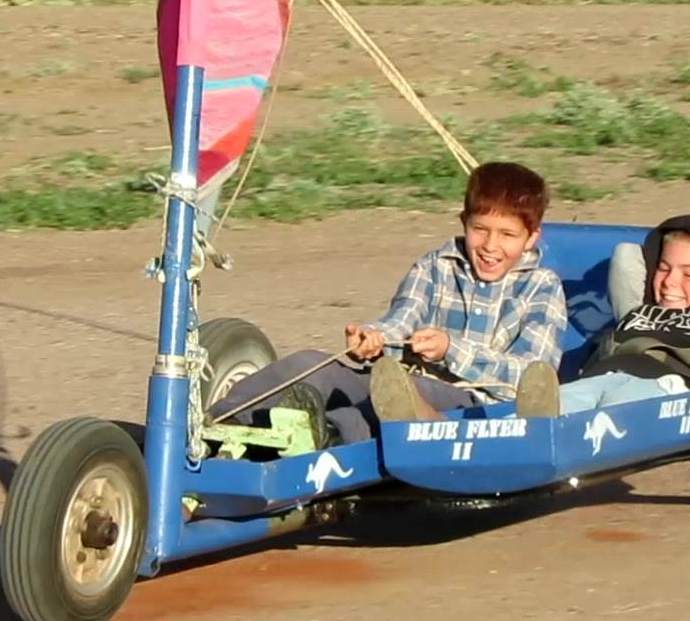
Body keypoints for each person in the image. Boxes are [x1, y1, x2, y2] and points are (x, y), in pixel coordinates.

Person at [211, 160, 568, 446]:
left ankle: (319, 437)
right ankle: (218, 421)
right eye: (480, 229)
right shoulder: (436, 266)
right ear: (464, 223)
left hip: (473, 403)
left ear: (531, 238)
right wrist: (374, 339)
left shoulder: (541, 287)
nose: (490, 246)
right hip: (398, 381)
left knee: (377, 406)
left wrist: (450, 349)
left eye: (507, 235)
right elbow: (402, 320)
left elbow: (533, 375)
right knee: (311, 364)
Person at [509, 213, 690, 417]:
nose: (670, 282)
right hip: (603, 377)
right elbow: (626, 257)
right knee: (563, 402)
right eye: (663, 268)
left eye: (689, 274)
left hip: (669, 388)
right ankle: (525, 433)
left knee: (617, 411)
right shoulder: (637, 310)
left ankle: (578, 438)